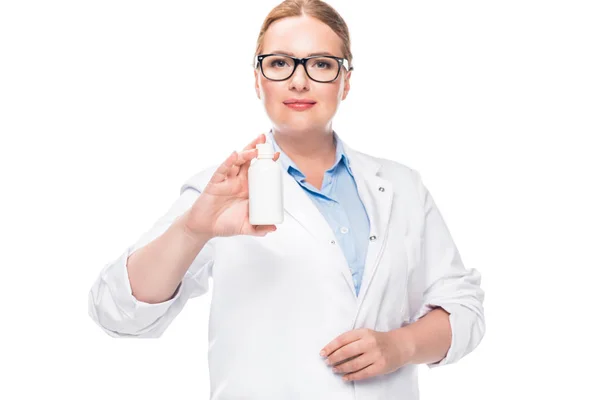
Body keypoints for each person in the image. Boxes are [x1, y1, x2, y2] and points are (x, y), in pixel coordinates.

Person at [88, 0, 485, 398]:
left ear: (345, 81)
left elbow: (464, 310)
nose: (299, 81)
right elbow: (118, 312)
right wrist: (194, 228)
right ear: (257, 80)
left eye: (321, 64)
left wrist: (400, 347)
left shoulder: (403, 187)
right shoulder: (220, 191)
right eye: (279, 63)